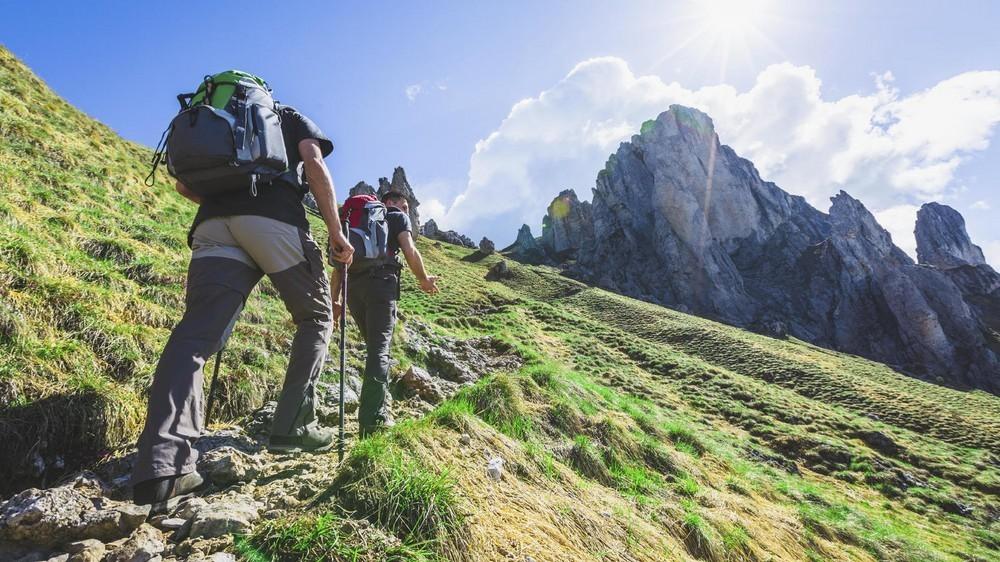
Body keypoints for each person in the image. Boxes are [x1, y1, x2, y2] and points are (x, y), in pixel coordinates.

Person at [131, 103, 353, 509]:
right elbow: (314, 160)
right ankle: (293, 427)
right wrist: (335, 231)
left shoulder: (215, 120)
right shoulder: (285, 115)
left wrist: (228, 200)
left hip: (213, 223)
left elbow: (183, 186)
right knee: (317, 316)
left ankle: (162, 467)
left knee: (196, 335)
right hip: (275, 220)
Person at [331, 191, 439, 437]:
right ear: (388, 203)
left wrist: (335, 301)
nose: (405, 209)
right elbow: (409, 250)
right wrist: (423, 279)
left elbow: (338, 267)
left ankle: (379, 404)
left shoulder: (353, 221)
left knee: (373, 348)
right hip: (381, 284)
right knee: (380, 350)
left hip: (354, 288)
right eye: (403, 204)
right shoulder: (396, 217)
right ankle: (373, 420)